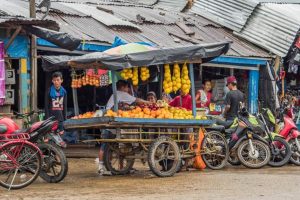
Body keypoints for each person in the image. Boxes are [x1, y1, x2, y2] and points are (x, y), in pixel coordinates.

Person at [98, 80, 151, 175]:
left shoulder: (115, 94)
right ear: (123, 87)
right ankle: (103, 167)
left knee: (107, 145)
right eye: (127, 87)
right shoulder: (121, 93)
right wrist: (149, 102)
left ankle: (102, 167)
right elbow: (137, 100)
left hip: (108, 121)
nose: (128, 89)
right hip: (112, 123)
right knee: (108, 145)